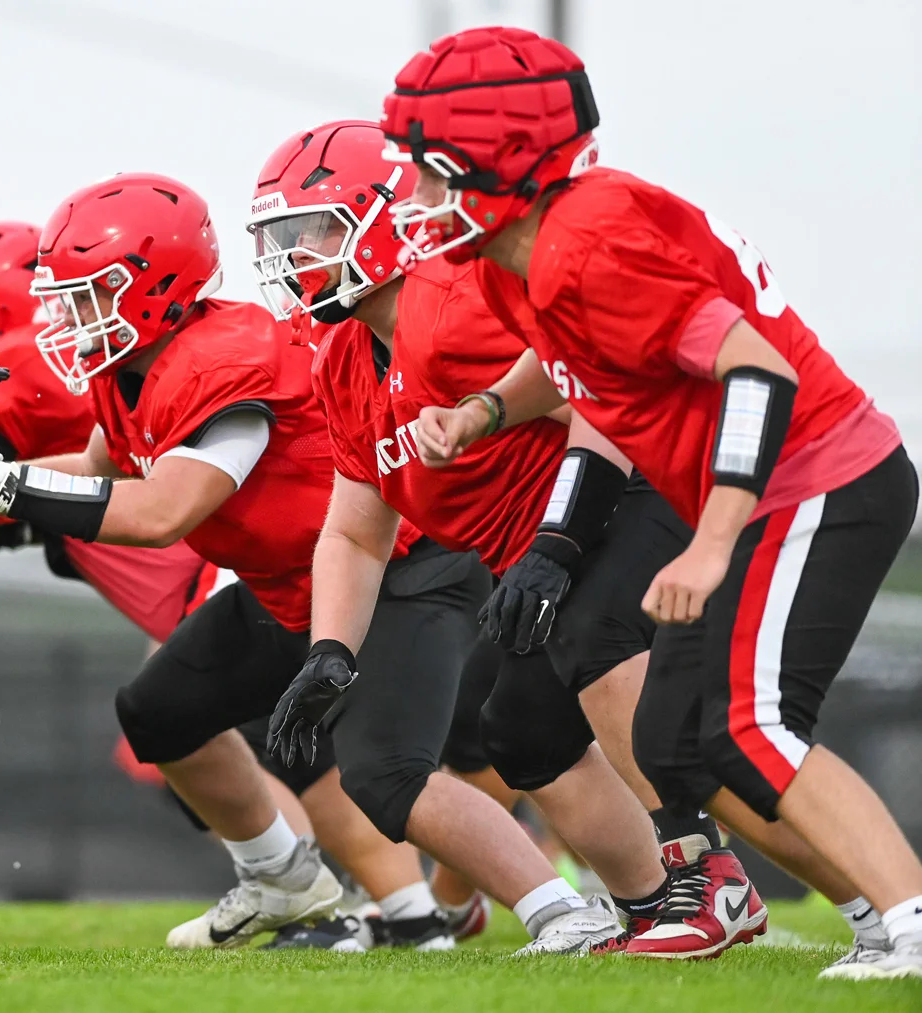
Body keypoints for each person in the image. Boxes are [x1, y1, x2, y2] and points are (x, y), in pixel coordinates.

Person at [0, 172, 629, 953]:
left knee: (389, 770)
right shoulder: (126, 377)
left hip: (401, 572)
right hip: (293, 585)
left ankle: (563, 911)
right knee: (159, 710)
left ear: (152, 286)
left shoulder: (223, 357)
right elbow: (101, 465)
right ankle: (279, 877)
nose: (69, 316)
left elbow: (163, 511)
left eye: (88, 294)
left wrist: (11, 486)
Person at [381, 24, 920, 980]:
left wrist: (711, 543)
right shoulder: (522, 254)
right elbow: (571, 359)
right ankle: (872, 915)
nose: (414, 197)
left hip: (816, 479)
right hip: (769, 490)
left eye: (429, 172)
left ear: (498, 161)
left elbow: (758, 373)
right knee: (679, 740)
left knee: (756, 724)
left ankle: (912, 913)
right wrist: (487, 411)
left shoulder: (590, 242)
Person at [254, 119, 768, 959]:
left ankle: (722, 876)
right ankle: (654, 903)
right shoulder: (345, 358)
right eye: (284, 239)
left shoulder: (454, 303)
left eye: (311, 231)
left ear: (384, 221)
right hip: (536, 544)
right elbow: (353, 528)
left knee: (595, 642)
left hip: (635, 484)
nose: (294, 256)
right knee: (524, 728)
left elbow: (600, 402)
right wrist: (330, 650)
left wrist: (559, 543)